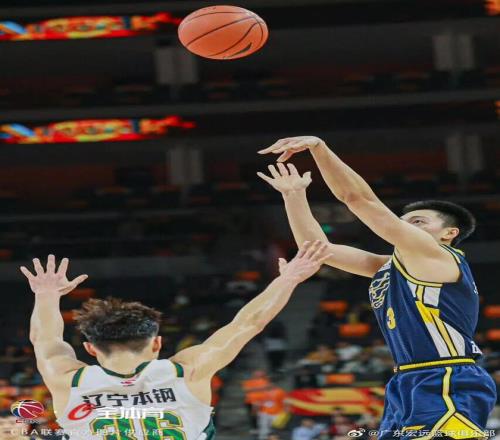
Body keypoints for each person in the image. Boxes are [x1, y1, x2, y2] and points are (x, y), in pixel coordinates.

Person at [258, 135, 497, 439]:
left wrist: (319, 148)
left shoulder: (438, 255)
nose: (406, 226)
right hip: (406, 380)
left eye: (419, 222)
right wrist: (294, 195)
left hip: (447, 376)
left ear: (449, 233)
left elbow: (358, 199)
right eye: (403, 221)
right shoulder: (388, 266)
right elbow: (317, 249)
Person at [20, 241, 331, 440]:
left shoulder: (68, 380)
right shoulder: (187, 371)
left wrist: (46, 295)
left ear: (90, 348)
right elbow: (249, 323)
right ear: (156, 343)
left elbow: (44, 338)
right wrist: (289, 279)